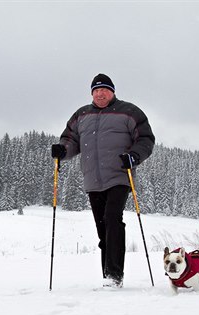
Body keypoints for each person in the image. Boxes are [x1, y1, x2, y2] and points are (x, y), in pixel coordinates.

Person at [51, 73, 155, 288]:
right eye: (96, 90)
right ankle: (107, 275)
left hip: (119, 176)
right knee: (102, 228)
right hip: (92, 179)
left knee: (112, 219)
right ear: (91, 93)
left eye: (104, 90)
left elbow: (145, 139)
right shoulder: (81, 115)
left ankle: (114, 276)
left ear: (113, 92)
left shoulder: (129, 111)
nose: (100, 93)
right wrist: (63, 150)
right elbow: (70, 140)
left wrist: (134, 156)